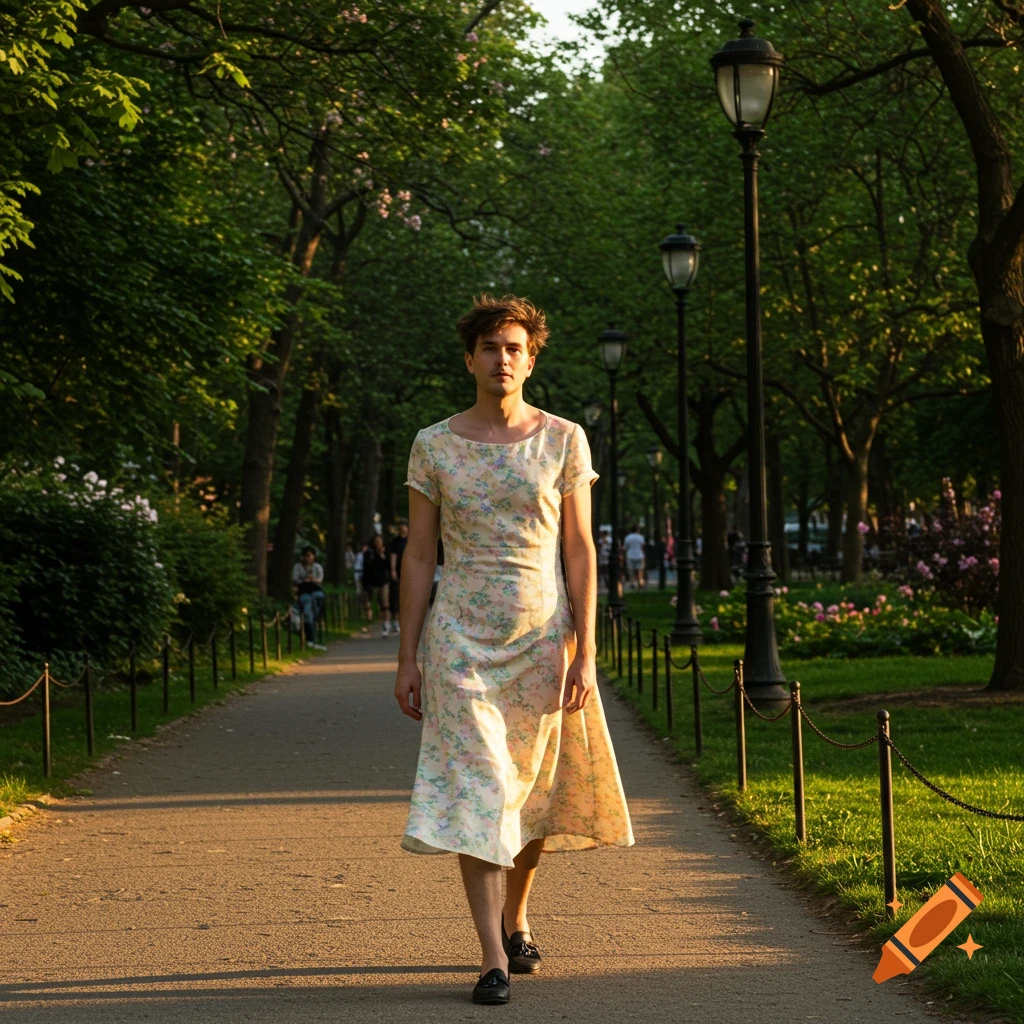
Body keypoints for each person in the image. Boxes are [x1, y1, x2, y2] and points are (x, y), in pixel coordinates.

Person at [394, 294, 633, 1006]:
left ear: (532, 360)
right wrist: (407, 657)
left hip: (540, 639)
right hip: (461, 642)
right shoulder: (433, 444)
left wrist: (587, 651)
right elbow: (418, 554)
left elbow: (581, 549)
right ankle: (493, 958)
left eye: (515, 348)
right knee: (480, 791)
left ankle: (517, 914)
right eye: (491, 347)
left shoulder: (563, 439)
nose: (503, 359)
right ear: (469, 359)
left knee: (530, 796)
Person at [292, 545, 326, 650]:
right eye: (306, 556)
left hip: (316, 591)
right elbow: (295, 580)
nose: (308, 558)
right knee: (308, 607)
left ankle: (314, 616)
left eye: (309, 556)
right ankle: (312, 619)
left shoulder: (317, 567)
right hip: (304, 592)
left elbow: (320, 580)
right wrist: (304, 580)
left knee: (315, 598)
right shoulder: (298, 567)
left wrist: (312, 579)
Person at [362, 534, 392, 635]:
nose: (377, 544)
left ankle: (386, 624)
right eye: (376, 541)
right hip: (371, 583)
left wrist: (382, 555)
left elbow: (389, 565)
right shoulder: (369, 553)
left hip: (383, 582)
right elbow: (366, 566)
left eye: (379, 541)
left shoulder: (385, 552)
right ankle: (370, 621)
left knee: (385, 604)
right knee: (371, 604)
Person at [388, 520, 409, 635]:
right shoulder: (395, 542)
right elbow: (393, 556)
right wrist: (393, 570)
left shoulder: (411, 540)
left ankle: (405, 623)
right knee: (397, 597)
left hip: (409, 571)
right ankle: (396, 621)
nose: (402, 530)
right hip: (399, 571)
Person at [622, 524, 646, 590]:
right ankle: (640, 582)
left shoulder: (628, 537)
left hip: (630, 555)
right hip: (639, 555)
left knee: (631, 571)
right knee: (640, 571)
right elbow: (643, 547)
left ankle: (632, 583)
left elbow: (625, 547)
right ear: (637, 530)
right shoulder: (640, 537)